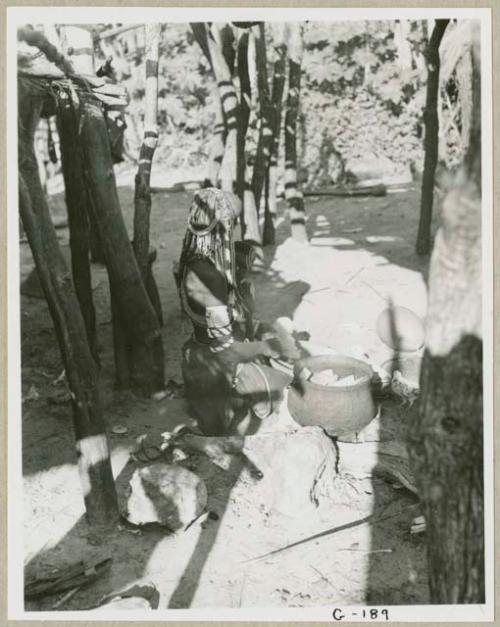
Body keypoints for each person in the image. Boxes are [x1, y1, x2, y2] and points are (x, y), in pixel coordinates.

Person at [176, 188, 294, 436]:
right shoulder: (209, 274)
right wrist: (262, 347)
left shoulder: (192, 258)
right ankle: (235, 399)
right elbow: (223, 342)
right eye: (232, 222)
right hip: (215, 360)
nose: (234, 228)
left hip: (202, 348)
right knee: (279, 385)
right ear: (222, 223)